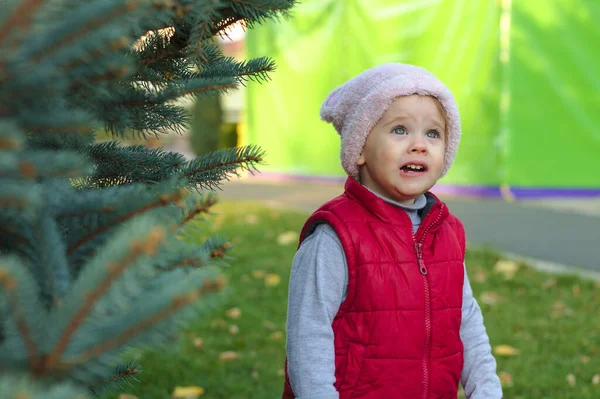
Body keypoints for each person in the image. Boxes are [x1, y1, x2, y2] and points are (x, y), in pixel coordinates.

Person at [281, 64, 503, 399]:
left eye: (433, 133)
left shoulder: (446, 231)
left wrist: (486, 389)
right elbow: (307, 335)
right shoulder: (336, 236)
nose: (419, 145)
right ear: (359, 149)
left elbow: (466, 320)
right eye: (399, 130)